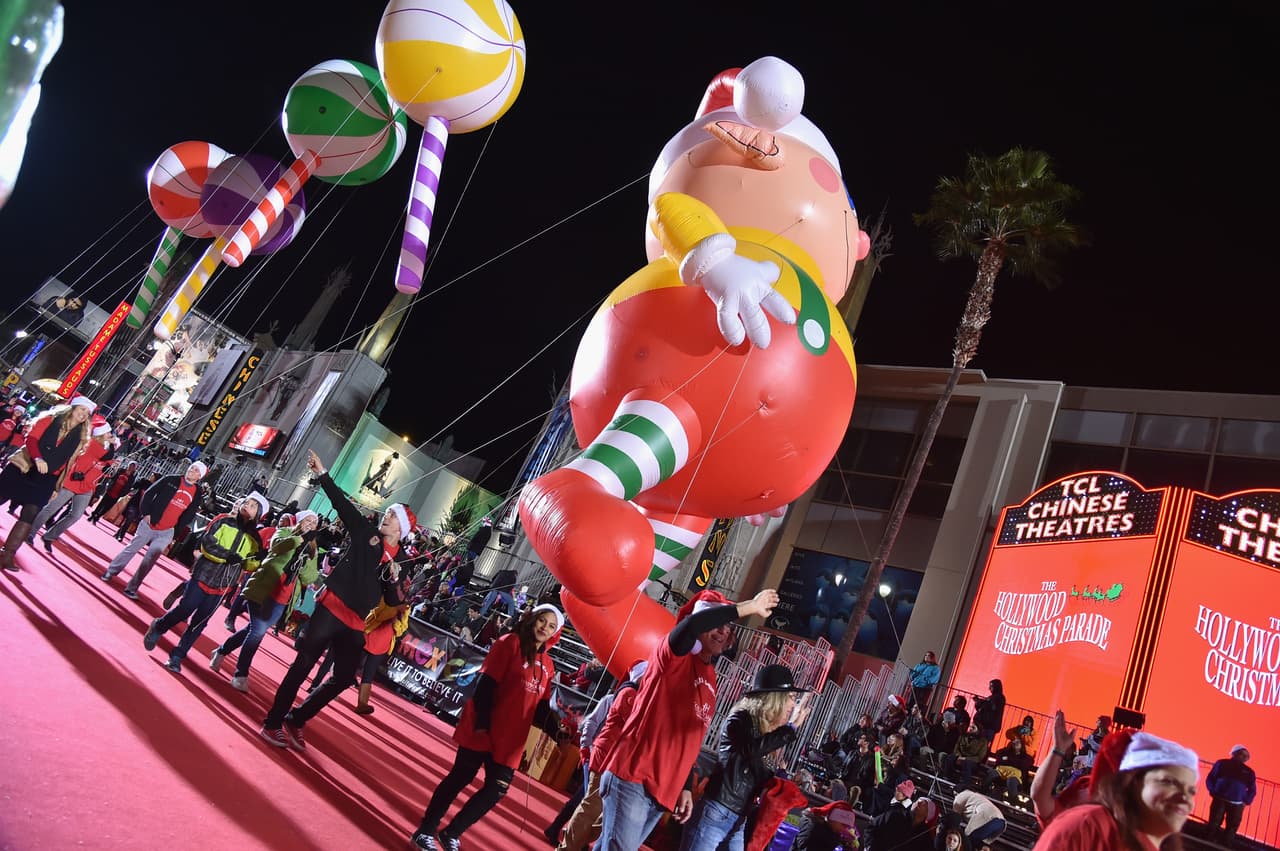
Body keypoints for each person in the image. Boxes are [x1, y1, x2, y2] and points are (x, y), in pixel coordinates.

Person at [596, 588, 780, 851]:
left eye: (727, 626)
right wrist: (748, 606)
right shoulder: (673, 655)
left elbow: (690, 740)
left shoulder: (711, 676)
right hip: (634, 776)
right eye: (714, 624)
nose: (722, 631)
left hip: (664, 788)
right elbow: (691, 624)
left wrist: (683, 786)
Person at [260, 449, 415, 750]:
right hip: (332, 607)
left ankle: (296, 719)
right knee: (303, 664)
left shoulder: (405, 561)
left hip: (356, 622)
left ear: (403, 530)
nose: (387, 516)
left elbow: (395, 600)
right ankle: (273, 722)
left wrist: (395, 579)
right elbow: (343, 506)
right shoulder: (367, 532)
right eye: (389, 512)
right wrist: (322, 474)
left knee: (344, 677)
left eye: (393, 516)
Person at [410, 604, 565, 851]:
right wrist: (482, 725)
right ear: (532, 619)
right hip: (483, 728)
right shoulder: (509, 643)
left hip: (510, 740)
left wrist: (557, 730)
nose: (545, 628)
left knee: (496, 790)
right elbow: (485, 686)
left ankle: (452, 833)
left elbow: (541, 708)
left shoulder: (548, 664)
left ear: (556, 633)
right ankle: (425, 831)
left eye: (551, 626)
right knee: (459, 779)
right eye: (542, 621)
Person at [679, 664, 812, 851]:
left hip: (739, 817)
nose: (793, 705)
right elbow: (749, 750)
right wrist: (790, 728)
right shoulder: (741, 719)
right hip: (717, 810)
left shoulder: (767, 731)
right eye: (791, 698)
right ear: (775, 698)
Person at [142, 491, 264, 673]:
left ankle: (177, 656)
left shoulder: (255, 539)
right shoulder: (223, 521)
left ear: (258, 513)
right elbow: (207, 544)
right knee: (185, 609)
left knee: (199, 622)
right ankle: (159, 626)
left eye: (253, 505)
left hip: (223, 586)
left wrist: (257, 559)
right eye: (247, 502)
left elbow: (248, 565)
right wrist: (226, 556)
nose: (248, 505)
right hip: (203, 574)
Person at [209, 510, 321, 691]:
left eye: (314, 523)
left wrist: (308, 557)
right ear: (299, 522)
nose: (310, 524)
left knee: (252, 630)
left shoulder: (313, 549)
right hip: (263, 590)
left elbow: (309, 578)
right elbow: (277, 547)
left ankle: (221, 651)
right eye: (307, 520)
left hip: (282, 597)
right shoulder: (285, 532)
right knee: (257, 631)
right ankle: (241, 674)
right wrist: (300, 539)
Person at [1033, 731, 1199, 851]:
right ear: (1132, 782)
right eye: (1169, 782)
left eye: (1192, 790)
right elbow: (1040, 797)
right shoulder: (1089, 827)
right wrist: (1058, 750)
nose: (1185, 797)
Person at [549, 659, 648, 850]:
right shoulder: (626, 695)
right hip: (605, 758)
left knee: (598, 810)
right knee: (590, 806)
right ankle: (567, 844)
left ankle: (574, 841)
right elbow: (592, 723)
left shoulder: (634, 698)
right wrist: (586, 749)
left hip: (614, 761)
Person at [0, 396, 94, 571]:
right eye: (82, 409)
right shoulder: (49, 419)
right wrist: (38, 458)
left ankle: (8, 555)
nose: (83, 414)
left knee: (31, 513)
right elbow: (32, 439)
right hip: (25, 466)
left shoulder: (81, 437)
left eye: (87, 413)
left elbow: (68, 463)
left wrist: (56, 487)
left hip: (48, 477)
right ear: (72, 408)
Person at [102, 460, 208, 600]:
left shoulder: (197, 493)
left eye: (196, 470)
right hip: (149, 524)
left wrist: (175, 532)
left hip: (167, 531)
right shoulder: (171, 479)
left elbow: (189, 514)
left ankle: (132, 588)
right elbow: (149, 493)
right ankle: (111, 571)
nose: (192, 471)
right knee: (131, 548)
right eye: (191, 468)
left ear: (199, 476)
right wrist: (146, 513)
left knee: (149, 560)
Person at [29, 415, 113, 552]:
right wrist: (113, 445)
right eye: (109, 432)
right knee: (51, 508)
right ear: (101, 434)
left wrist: (108, 468)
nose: (111, 435)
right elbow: (106, 457)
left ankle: (49, 536)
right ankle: (31, 531)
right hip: (72, 481)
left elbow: (108, 468)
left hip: (87, 487)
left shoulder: (106, 448)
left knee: (76, 515)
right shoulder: (92, 444)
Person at [1205, 744, 1256, 846]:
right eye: (1242, 754)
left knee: (1233, 825)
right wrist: (1213, 791)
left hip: (1238, 803)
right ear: (1234, 753)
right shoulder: (1222, 763)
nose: (1244, 757)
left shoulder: (1250, 772)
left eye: (1246, 756)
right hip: (1220, 798)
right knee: (1214, 821)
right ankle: (1207, 842)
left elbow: (1252, 789)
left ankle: (1225, 845)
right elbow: (1211, 778)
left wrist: (1246, 801)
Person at [793, 800, 860, 851]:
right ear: (833, 819)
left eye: (847, 826)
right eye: (843, 825)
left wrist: (847, 846)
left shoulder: (831, 832)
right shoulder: (814, 829)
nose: (844, 829)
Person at [984, 736, 1035, 803]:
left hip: (1015, 775)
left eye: (1017, 742)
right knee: (991, 774)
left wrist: (1008, 759)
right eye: (1014, 742)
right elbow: (999, 758)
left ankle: (1012, 802)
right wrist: (1014, 761)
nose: (1015, 743)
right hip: (1000, 772)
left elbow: (1024, 765)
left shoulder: (1025, 757)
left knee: (1011, 781)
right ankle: (983, 792)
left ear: (1021, 745)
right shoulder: (1004, 752)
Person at [943, 722, 990, 788]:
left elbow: (979, 757)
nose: (970, 729)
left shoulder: (983, 741)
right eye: (970, 727)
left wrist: (965, 759)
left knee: (967, 763)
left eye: (973, 727)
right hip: (959, 757)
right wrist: (958, 756)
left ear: (978, 730)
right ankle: (947, 778)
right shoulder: (963, 736)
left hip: (972, 761)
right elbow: (956, 748)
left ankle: (965, 784)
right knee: (950, 757)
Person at [972, 679, 1006, 748]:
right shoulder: (993, 697)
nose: (989, 688)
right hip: (984, 725)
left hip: (989, 726)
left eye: (991, 686)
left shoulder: (999, 698)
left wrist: (980, 702)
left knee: (983, 746)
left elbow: (990, 707)